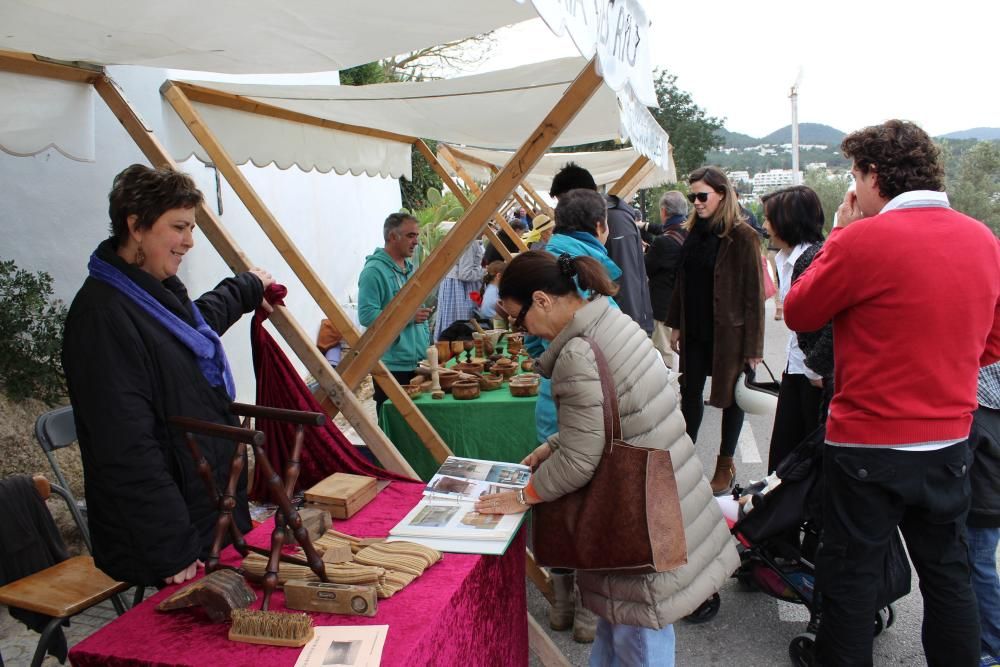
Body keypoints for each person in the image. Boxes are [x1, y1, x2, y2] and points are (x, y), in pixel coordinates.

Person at [784, 119, 1000, 667]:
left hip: (867, 446)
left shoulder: (861, 238)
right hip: (949, 441)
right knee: (948, 577)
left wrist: (839, 230)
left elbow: (800, 311)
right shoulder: (982, 239)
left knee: (853, 581)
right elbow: (993, 340)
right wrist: (941, 363)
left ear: (872, 177)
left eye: (854, 175)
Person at [476, 250, 738, 667]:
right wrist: (553, 445)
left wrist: (524, 495)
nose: (519, 329)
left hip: (633, 515)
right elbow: (613, 414)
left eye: (516, 317)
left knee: (637, 636)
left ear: (542, 300)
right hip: (660, 497)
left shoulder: (577, 352)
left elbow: (582, 460)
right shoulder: (609, 319)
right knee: (626, 630)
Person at [62, 164, 273, 586]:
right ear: (136, 226)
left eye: (191, 227)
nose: (189, 241)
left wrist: (247, 289)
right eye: (179, 227)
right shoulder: (102, 316)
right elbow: (125, 447)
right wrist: (171, 546)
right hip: (168, 536)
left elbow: (194, 327)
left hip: (205, 510)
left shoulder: (147, 291)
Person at [523, 188, 622, 643]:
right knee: (590, 509)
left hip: (553, 403)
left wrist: (545, 360)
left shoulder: (541, 261)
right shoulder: (590, 273)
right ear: (601, 226)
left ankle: (563, 605)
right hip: (590, 407)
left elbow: (527, 338)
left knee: (559, 509)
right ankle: (585, 614)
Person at [666, 166, 765, 495]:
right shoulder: (693, 233)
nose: (696, 201)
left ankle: (725, 463)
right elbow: (682, 281)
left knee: (731, 398)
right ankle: (684, 460)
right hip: (695, 330)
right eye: (693, 195)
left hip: (729, 335)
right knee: (690, 395)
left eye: (702, 195)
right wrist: (675, 323)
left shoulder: (744, 236)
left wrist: (754, 348)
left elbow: (753, 296)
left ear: (722, 194)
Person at [760, 185, 828, 473]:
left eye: (769, 218)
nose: (764, 225)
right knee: (785, 456)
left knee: (806, 458)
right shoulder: (785, 259)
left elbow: (827, 321)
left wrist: (816, 369)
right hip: (797, 368)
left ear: (787, 220)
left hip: (813, 377)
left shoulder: (814, 259)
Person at [549, 163, 654, 335]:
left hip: (621, 330)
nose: (561, 209)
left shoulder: (613, 221)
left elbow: (625, 281)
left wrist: (631, 333)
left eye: (562, 200)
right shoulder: (594, 222)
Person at [358, 212, 432, 417]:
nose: (416, 241)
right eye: (410, 235)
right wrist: (409, 317)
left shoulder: (408, 268)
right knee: (394, 421)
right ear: (392, 237)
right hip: (391, 364)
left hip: (414, 360)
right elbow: (366, 315)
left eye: (416, 235)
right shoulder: (374, 271)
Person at [969, 362, 1000, 666]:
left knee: (977, 567)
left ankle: (992, 644)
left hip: (982, 501)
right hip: (989, 499)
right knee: (980, 565)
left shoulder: (980, 413)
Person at [644, 191, 688, 369]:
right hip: (686, 305)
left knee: (665, 354)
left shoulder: (663, 242)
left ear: (663, 211)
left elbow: (646, 268)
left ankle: (672, 394)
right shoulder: (691, 234)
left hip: (664, 309)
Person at [434, 225, 485, 339]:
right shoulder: (470, 243)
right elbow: (465, 274)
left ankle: (447, 344)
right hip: (459, 288)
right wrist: (484, 272)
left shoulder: (462, 240)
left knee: (451, 320)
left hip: (452, 284)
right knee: (460, 322)